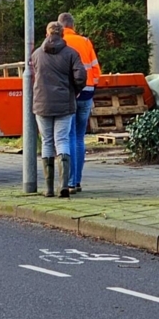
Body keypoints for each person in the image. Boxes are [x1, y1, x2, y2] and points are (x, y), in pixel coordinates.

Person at [31, 21, 86, 198]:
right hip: (64, 103)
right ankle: (63, 185)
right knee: (62, 140)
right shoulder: (71, 54)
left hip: (42, 103)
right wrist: (74, 91)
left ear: (47, 34)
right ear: (62, 35)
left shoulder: (36, 54)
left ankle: (48, 188)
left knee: (47, 142)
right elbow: (81, 76)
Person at [59, 12, 102, 193]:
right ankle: (77, 181)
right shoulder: (85, 42)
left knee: (68, 136)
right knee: (79, 137)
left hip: (69, 93)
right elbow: (96, 71)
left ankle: (69, 182)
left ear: (61, 26)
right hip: (87, 91)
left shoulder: (61, 43)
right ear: (73, 25)